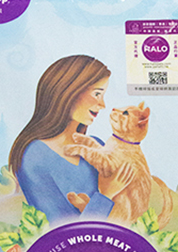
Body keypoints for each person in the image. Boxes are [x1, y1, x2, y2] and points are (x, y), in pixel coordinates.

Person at [9, 55, 134, 225]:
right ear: (69, 91)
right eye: (97, 94)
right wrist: (106, 194)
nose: (102, 104)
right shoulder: (35, 156)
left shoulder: (96, 145)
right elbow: (60, 228)